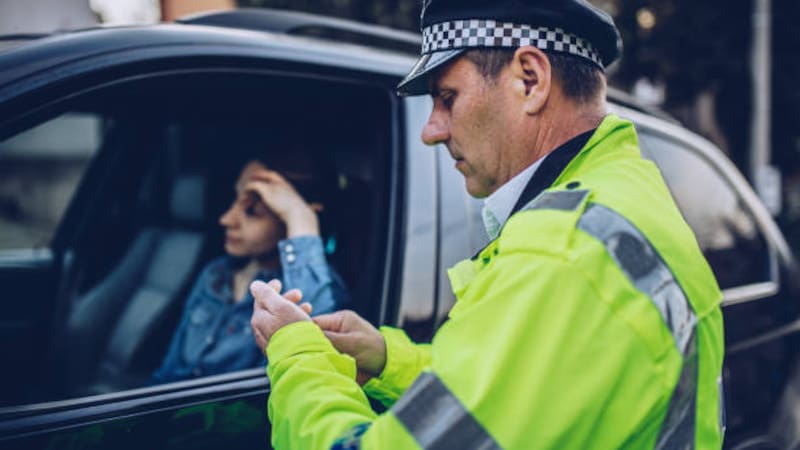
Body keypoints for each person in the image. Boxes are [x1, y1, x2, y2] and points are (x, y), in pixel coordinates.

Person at [250, 0, 725, 448]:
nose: (431, 130)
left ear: (530, 79)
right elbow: (529, 397)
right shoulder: (621, 200)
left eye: (447, 98)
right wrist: (389, 360)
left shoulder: (562, 252)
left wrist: (298, 356)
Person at [150, 156, 348, 384]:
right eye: (235, 199)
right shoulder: (216, 274)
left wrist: (300, 217)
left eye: (253, 211)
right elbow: (168, 370)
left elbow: (312, 361)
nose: (226, 219)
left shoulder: (318, 290)